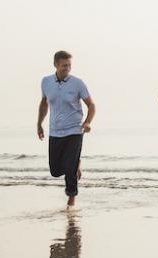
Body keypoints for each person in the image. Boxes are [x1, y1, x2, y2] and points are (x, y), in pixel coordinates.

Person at [37, 50, 96, 206]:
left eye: (69, 65)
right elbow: (44, 103)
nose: (67, 68)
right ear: (55, 64)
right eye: (64, 65)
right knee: (55, 171)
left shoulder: (78, 83)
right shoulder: (46, 82)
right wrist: (39, 123)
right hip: (55, 132)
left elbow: (91, 105)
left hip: (74, 131)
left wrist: (87, 122)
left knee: (69, 169)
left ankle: (71, 199)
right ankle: (75, 164)